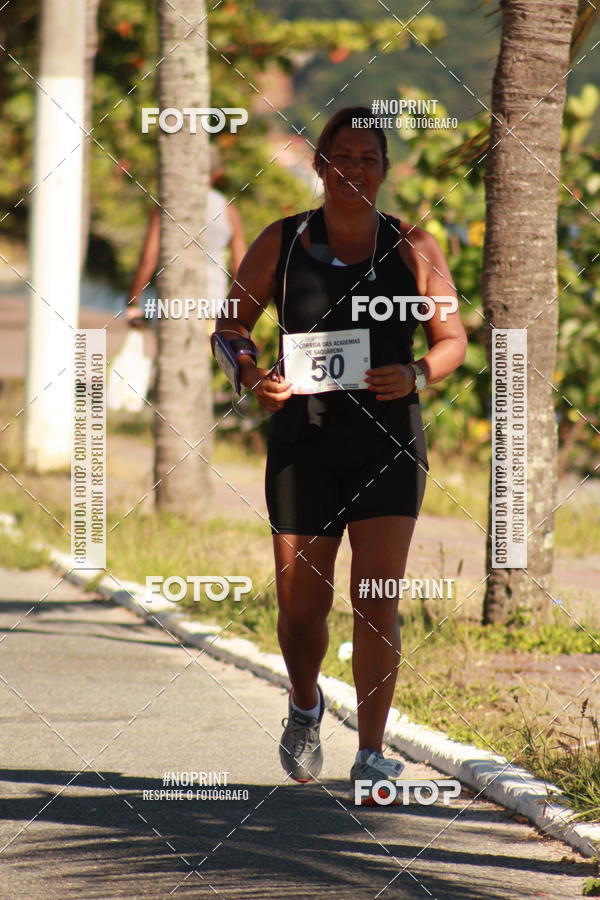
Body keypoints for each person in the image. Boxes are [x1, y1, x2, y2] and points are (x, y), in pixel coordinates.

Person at [214, 106, 467, 802]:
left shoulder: (414, 244)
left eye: (369, 158)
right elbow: (231, 323)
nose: (354, 169)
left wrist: (417, 373)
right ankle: (303, 705)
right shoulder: (284, 242)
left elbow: (454, 340)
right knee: (301, 607)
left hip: (387, 442)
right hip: (304, 443)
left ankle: (373, 753)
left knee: (376, 599)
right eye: (342, 156)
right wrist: (249, 373)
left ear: (384, 172)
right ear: (320, 166)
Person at [125, 145, 246, 326]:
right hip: (214, 303)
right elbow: (240, 267)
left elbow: (148, 258)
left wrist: (133, 302)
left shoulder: (168, 204)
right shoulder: (229, 210)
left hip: (173, 302)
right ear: (218, 173)